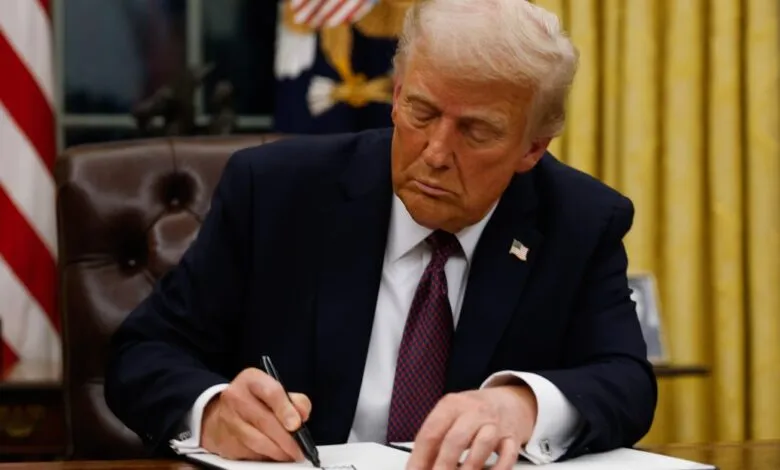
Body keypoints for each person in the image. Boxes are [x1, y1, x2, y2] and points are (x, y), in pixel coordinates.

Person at [104, 1, 657, 469]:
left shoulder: (579, 220)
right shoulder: (276, 192)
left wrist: (522, 407)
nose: (436, 154)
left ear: (533, 149)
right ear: (395, 96)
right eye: (421, 112)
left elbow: (626, 380)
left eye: (477, 130)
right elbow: (144, 353)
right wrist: (214, 408)